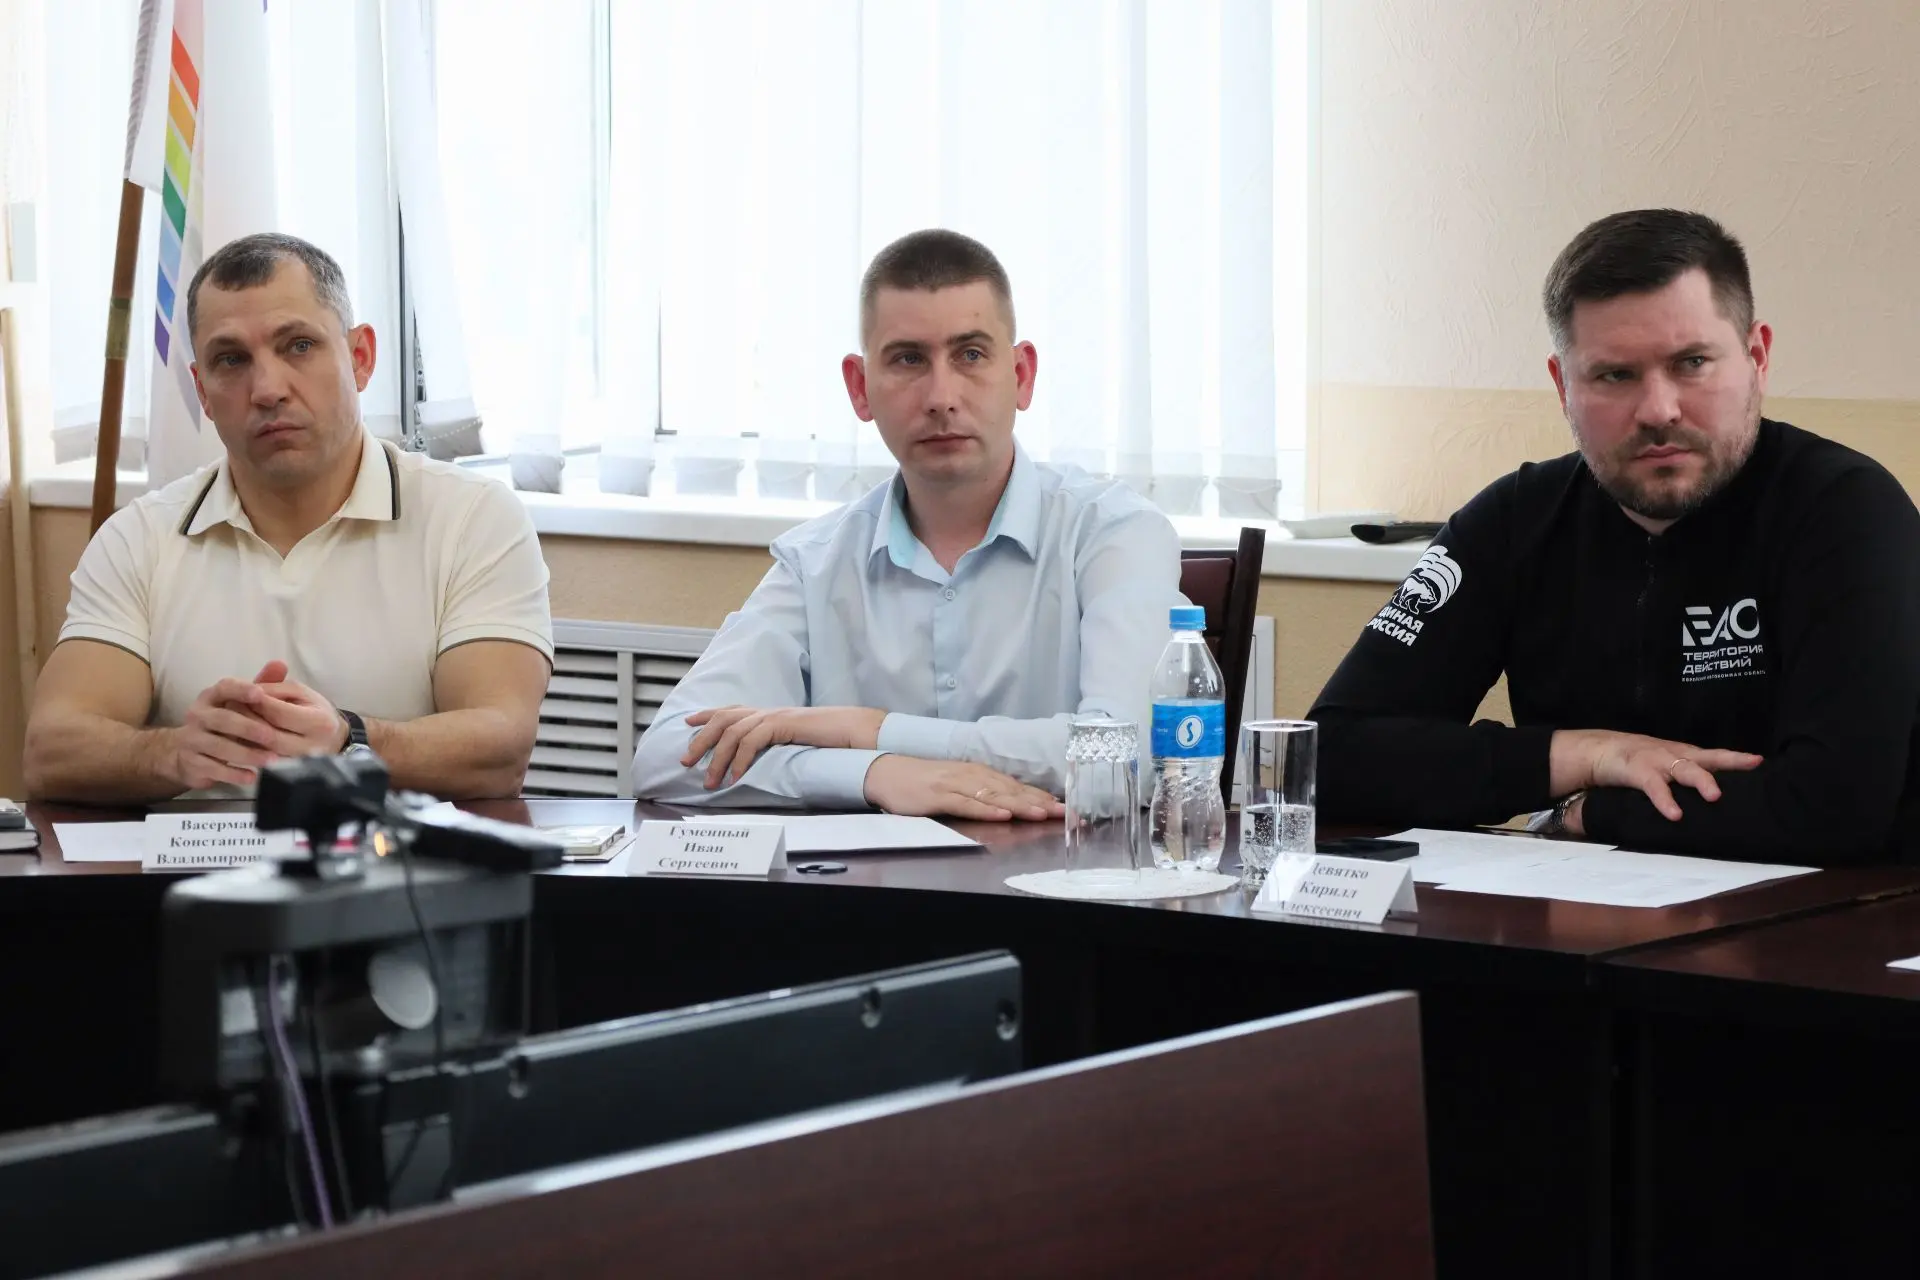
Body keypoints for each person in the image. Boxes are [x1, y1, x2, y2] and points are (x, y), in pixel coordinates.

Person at [1309, 209, 1920, 864]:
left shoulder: (1846, 511)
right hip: (1580, 912)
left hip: (1832, 918)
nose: (1658, 410)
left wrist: (1590, 813)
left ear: (1757, 357)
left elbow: (1836, 809)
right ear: (1562, 385)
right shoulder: (1514, 520)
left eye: (1692, 363)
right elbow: (1324, 759)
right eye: (1614, 375)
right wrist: (1587, 755)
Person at [631, 229, 1184, 819]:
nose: (941, 396)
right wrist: (874, 772)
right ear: (859, 388)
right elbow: (666, 757)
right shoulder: (814, 561)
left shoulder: (1115, 532)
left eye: (971, 355)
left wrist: (870, 731)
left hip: (1061, 876)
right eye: (908, 359)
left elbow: (1126, 758)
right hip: (868, 880)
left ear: (1021, 375)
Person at [24, 233, 553, 803]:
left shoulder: (473, 518)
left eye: (299, 346)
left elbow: (501, 747)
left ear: (360, 358)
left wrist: (349, 740)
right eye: (231, 360)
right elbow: (52, 751)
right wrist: (173, 754)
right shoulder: (139, 538)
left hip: (400, 859)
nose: (268, 390)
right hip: (198, 859)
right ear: (202, 391)